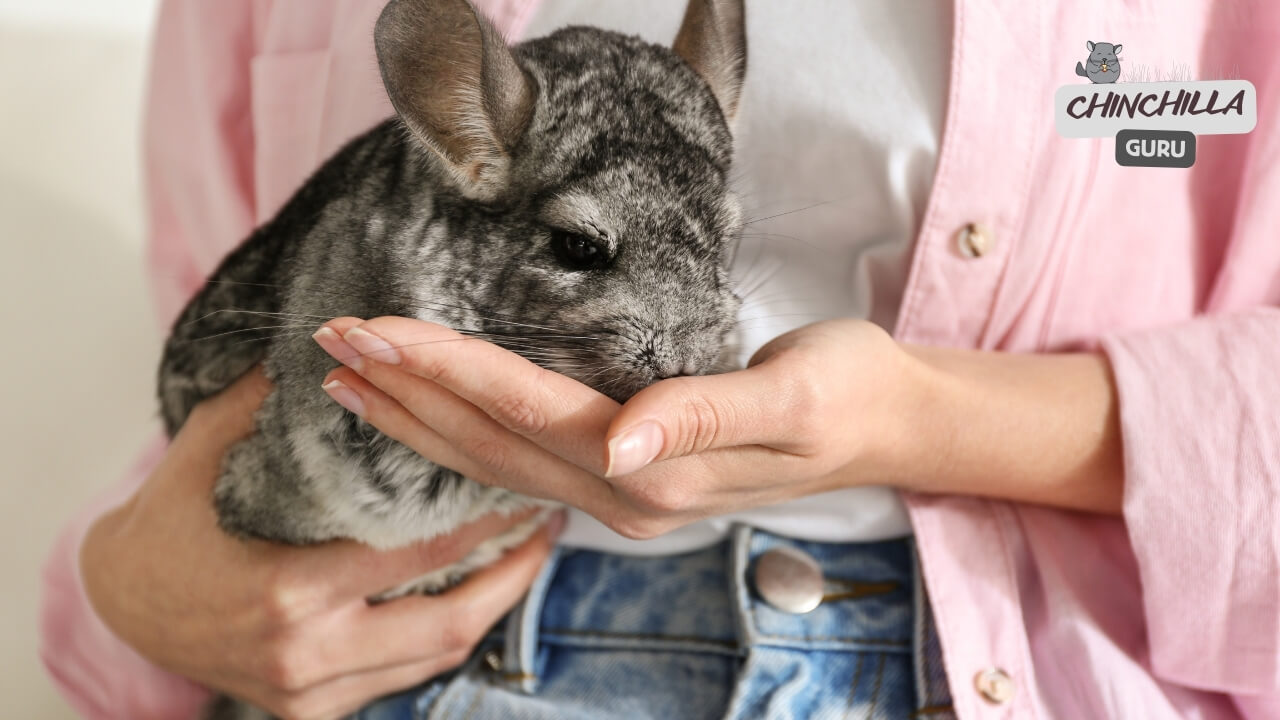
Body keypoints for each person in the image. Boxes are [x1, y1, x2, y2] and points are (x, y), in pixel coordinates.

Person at [41, 0, 1280, 718]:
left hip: (988, 668)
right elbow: (219, 330)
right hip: (428, 654)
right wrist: (128, 590)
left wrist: (920, 420)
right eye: (588, 249)